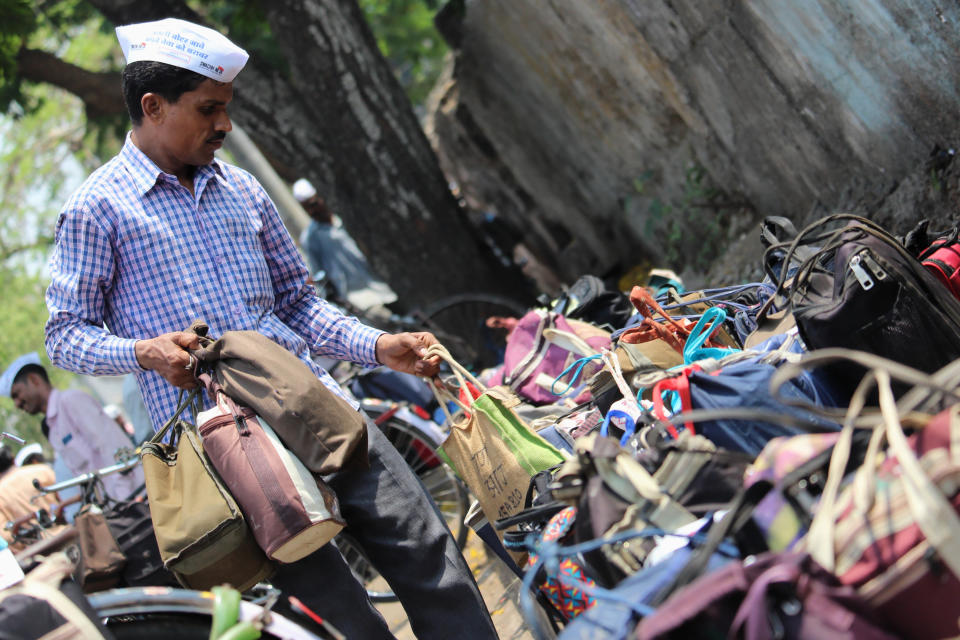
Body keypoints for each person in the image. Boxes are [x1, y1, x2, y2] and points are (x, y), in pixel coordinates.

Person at [44, 18, 497, 640]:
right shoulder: (95, 210)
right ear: (153, 107)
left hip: (318, 406)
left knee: (434, 566)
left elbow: (299, 305)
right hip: (227, 452)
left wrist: (378, 346)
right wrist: (143, 352)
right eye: (208, 110)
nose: (224, 125)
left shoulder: (245, 190)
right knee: (344, 623)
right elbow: (64, 333)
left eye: (226, 109)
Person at [0, 353, 143, 501]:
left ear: (34, 380)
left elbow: (115, 448)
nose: (17, 404)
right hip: (116, 507)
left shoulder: (71, 402)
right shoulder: (52, 426)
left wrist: (125, 497)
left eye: (17, 394)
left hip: (134, 498)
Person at [293, 178, 398, 312]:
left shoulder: (342, 216)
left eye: (313, 204)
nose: (312, 210)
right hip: (359, 297)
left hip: (380, 283)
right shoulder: (310, 238)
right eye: (307, 207)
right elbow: (319, 276)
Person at [0, 444, 61, 552]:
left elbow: (6, 537)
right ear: (13, 458)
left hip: (38, 554)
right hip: (68, 534)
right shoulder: (42, 470)